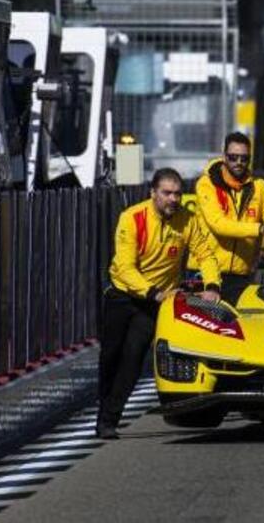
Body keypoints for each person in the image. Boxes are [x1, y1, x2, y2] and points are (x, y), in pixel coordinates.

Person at [98, 168, 221, 440]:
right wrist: (151, 291)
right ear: (153, 193)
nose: (173, 199)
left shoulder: (188, 220)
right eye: (166, 193)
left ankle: (109, 419)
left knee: (132, 360)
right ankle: (103, 407)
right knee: (110, 357)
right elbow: (125, 267)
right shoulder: (131, 218)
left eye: (177, 193)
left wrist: (212, 286)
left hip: (156, 302)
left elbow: (206, 255)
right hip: (123, 294)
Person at [194, 132, 264, 305]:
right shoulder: (206, 184)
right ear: (223, 156)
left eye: (244, 158)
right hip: (204, 273)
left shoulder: (259, 187)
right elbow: (218, 225)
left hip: (241, 274)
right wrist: (257, 229)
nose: (238, 163)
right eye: (233, 157)